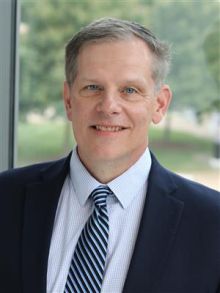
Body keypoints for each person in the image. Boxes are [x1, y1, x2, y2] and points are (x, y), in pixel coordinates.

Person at [0, 18, 219, 293]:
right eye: (93, 88)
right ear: (69, 101)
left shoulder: (212, 223)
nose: (109, 106)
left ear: (159, 104)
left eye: (129, 90)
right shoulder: (5, 198)